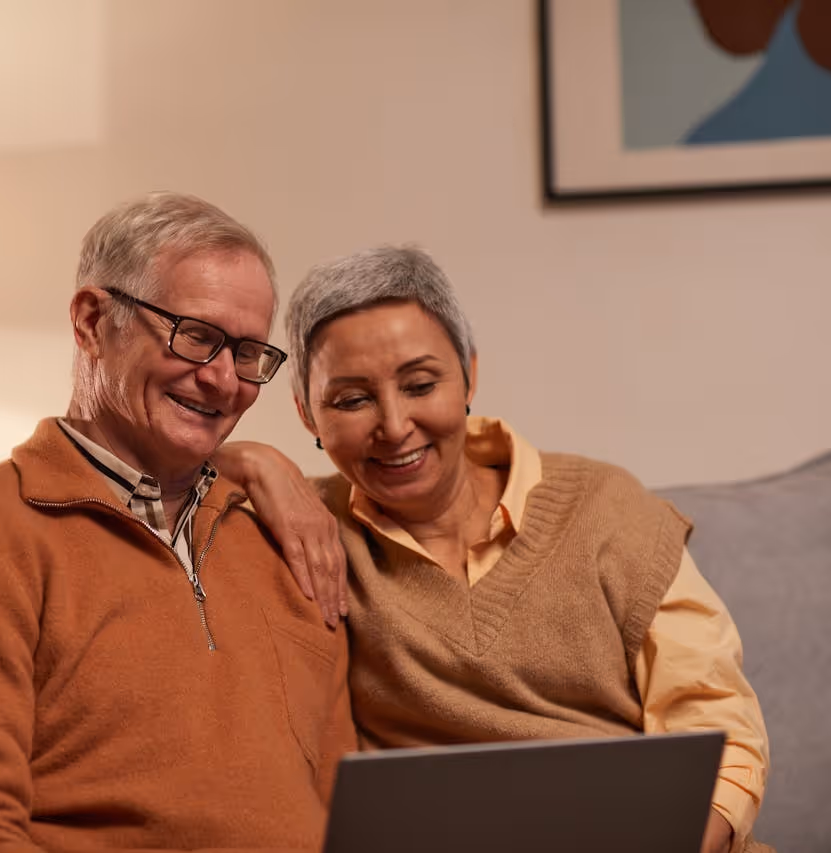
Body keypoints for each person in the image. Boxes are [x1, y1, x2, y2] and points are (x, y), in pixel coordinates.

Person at [218, 246, 773, 853]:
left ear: (469, 377)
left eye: (420, 384)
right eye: (352, 400)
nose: (396, 425)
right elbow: (130, 465)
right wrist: (247, 460)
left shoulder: (605, 506)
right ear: (306, 416)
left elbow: (718, 722)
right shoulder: (308, 532)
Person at [0, 191, 356, 853]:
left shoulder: (288, 536)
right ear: (93, 322)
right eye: (196, 336)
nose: (222, 380)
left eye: (245, 352)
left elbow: (351, 817)